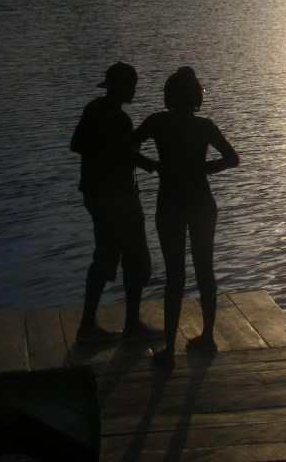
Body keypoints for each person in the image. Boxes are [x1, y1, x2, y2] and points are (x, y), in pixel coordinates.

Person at [131, 67, 240, 368]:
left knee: (174, 275)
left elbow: (125, 146)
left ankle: (168, 348)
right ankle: (207, 336)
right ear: (196, 98)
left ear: (169, 96)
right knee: (205, 269)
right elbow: (233, 159)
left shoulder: (158, 122)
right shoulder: (204, 126)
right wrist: (203, 170)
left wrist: (152, 166)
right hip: (202, 203)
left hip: (170, 204)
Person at [70, 61, 161, 342]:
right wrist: (155, 166)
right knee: (136, 259)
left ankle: (87, 326)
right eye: (131, 85)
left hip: (94, 196)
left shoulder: (93, 109)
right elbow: (125, 154)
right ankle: (132, 325)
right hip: (118, 197)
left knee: (106, 256)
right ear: (121, 87)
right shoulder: (121, 120)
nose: (134, 90)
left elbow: (76, 145)